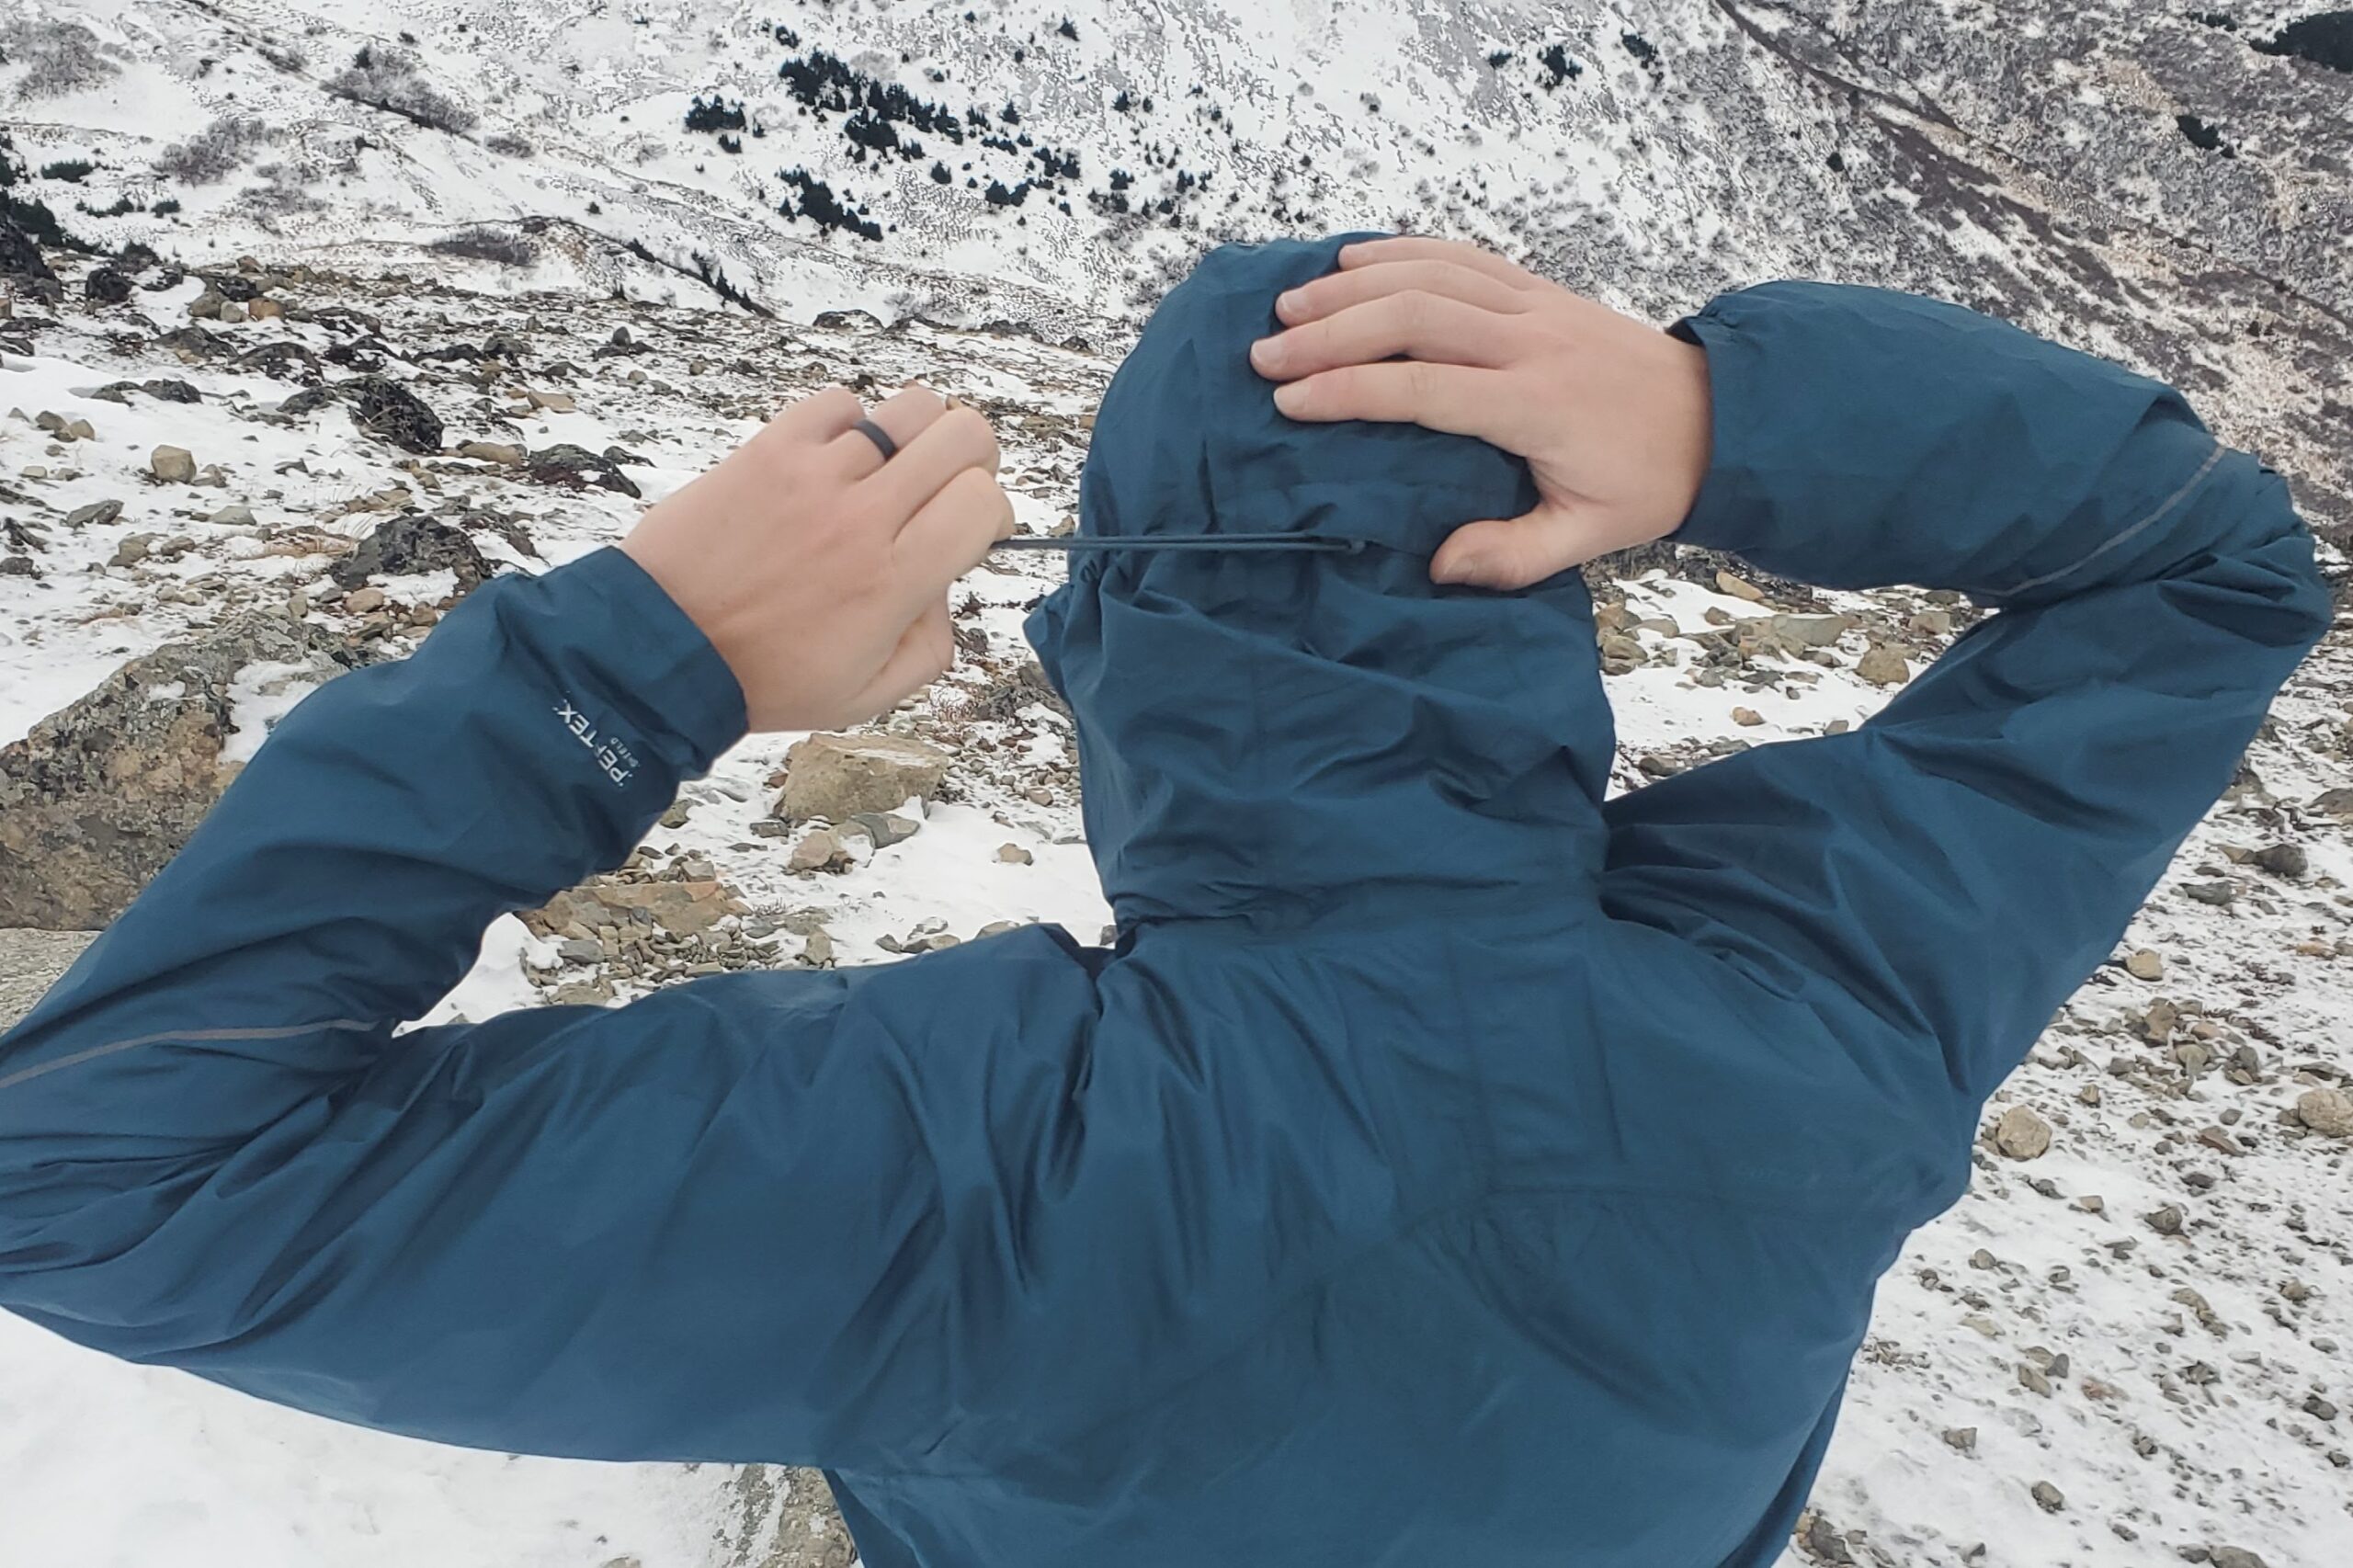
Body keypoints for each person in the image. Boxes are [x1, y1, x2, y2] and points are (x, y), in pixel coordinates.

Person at [0, 233, 2328, 1567]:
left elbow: (94, 1179)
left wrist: (646, 658)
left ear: (1121, 638)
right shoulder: (1821, 997)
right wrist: (1733, 422)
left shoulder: (1004, 1170)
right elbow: (2212, 571)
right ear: (1539, 591)